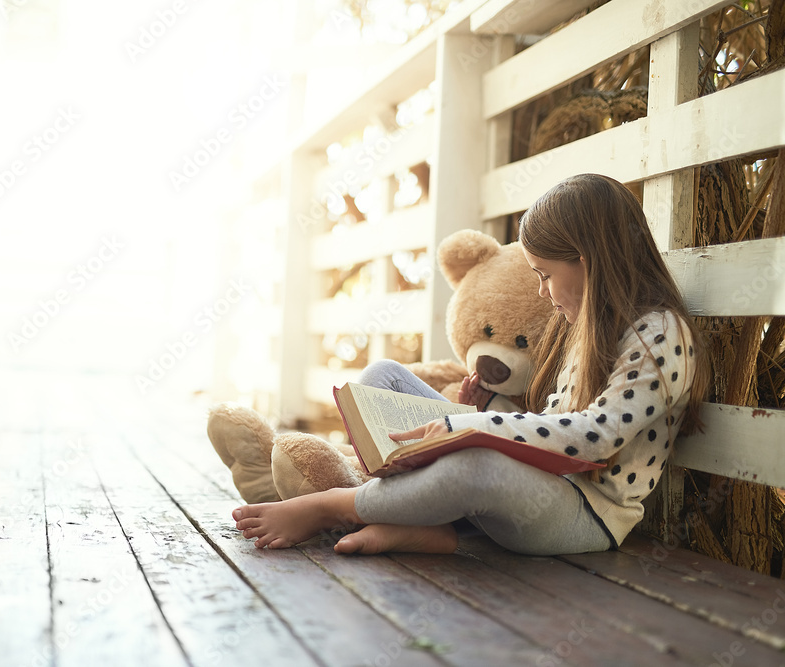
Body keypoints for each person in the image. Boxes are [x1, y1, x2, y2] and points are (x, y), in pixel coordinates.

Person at [232, 173, 710, 556]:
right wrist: (493, 405)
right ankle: (430, 528)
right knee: (385, 379)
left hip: (583, 512)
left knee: (475, 464)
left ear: (585, 261)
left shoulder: (660, 336)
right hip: (535, 478)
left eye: (545, 275)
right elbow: (550, 422)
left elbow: (593, 436)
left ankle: (331, 506)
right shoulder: (588, 322)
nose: (543, 291)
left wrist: (480, 426)